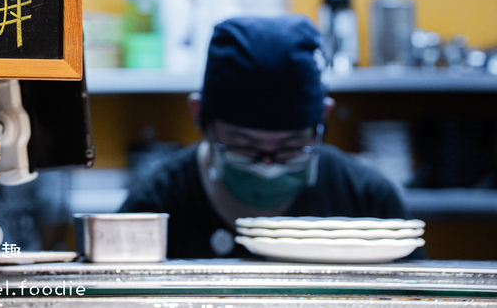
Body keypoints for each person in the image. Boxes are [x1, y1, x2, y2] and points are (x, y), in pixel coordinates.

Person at [119, 14, 416, 259]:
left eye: (291, 147)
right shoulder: (155, 207)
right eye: (243, 145)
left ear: (323, 118)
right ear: (199, 115)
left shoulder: (369, 203)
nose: (268, 166)